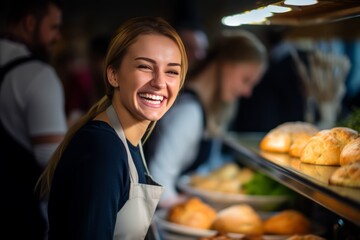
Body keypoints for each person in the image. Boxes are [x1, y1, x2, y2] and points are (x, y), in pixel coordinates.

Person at [37, 16, 188, 239]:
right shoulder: (104, 150)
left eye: (172, 71)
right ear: (113, 75)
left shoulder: (129, 139)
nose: (159, 82)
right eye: (145, 67)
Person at [144, 30, 267, 208]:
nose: (247, 92)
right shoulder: (189, 113)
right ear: (225, 65)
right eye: (245, 80)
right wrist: (180, 205)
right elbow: (158, 178)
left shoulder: (208, 109)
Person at [0, 0, 66, 239]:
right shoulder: (38, 75)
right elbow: (52, 159)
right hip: (15, 217)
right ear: (30, 23)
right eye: (53, 27)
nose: (57, 37)